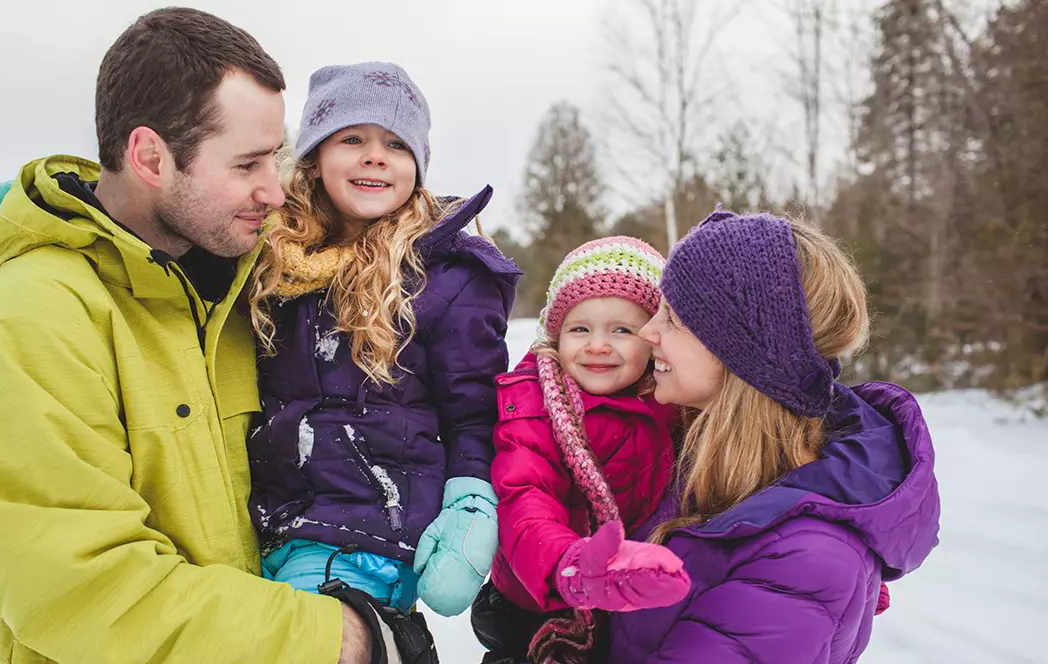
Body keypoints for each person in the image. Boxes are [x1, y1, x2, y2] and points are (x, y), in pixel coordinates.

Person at [0, 9, 375, 663]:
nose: (274, 190)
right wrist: (339, 641)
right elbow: (96, 595)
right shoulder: (26, 327)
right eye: (247, 164)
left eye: (276, 156)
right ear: (151, 156)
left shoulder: (254, 296)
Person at [243, 62, 520, 655]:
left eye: (396, 144)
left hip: (367, 531)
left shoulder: (444, 276)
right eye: (353, 139)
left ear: (417, 164)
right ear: (314, 155)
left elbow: (474, 410)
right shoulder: (270, 260)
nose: (376, 157)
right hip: (263, 521)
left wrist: (471, 501)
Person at [607, 209, 941, 662]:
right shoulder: (695, 451)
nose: (648, 331)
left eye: (675, 318)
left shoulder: (807, 559)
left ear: (743, 355)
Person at [469, 237, 691, 664]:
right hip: (540, 602)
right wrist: (570, 565)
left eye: (621, 330)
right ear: (556, 333)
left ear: (653, 338)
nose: (597, 346)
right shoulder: (537, 404)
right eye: (580, 329)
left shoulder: (667, 400)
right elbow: (526, 500)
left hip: (628, 598)